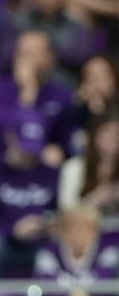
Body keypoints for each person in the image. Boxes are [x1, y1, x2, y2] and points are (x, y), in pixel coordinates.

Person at [58, 114, 119, 233]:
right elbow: (66, 212)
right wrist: (94, 200)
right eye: (106, 133)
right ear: (93, 136)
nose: (112, 139)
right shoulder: (73, 167)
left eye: (117, 135)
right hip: (88, 234)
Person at [30, 205, 119, 296]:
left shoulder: (108, 251)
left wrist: (80, 293)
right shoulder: (49, 251)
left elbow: (107, 278)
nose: (80, 234)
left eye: (87, 228)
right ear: (63, 232)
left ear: (96, 232)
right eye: (74, 228)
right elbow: (45, 281)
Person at [0, 30, 76, 165]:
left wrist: (58, 151)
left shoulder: (63, 95)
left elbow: (65, 142)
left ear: (50, 58)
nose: (28, 60)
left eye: (35, 53)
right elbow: (6, 132)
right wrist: (27, 93)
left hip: (43, 171)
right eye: (24, 53)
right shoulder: (2, 90)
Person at [0, 109, 59, 281]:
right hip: (6, 243)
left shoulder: (49, 173)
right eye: (25, 147)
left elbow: (59, 210)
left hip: (42, 243)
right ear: (10, 137)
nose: (30, 155)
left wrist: (47, 224)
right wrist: (13, 231)